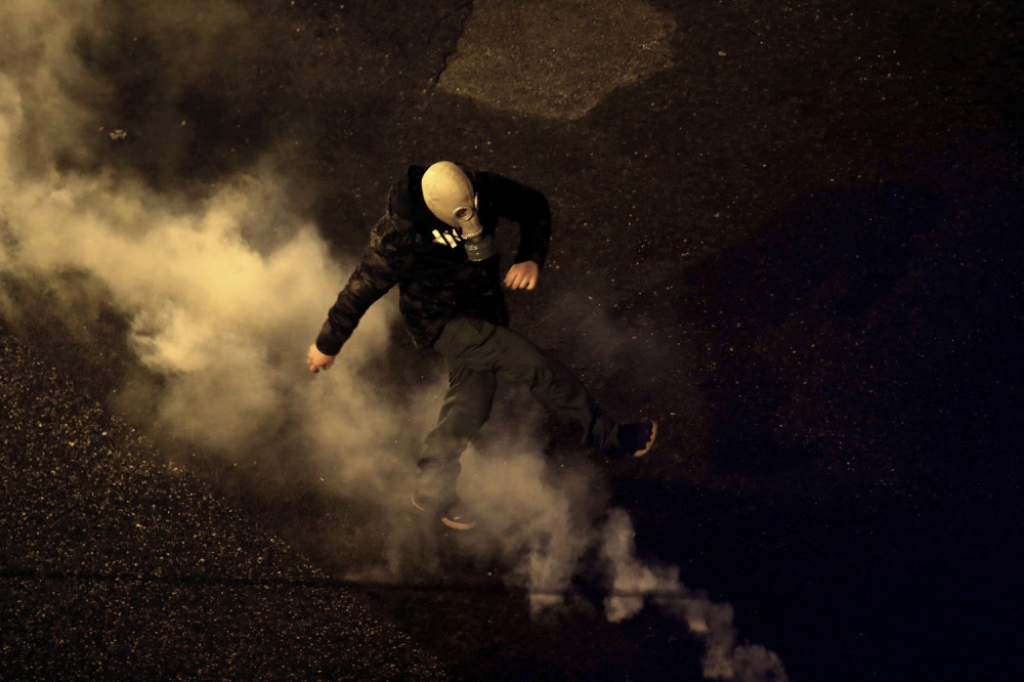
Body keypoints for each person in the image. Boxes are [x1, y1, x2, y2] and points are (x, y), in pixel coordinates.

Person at [307, 161, 656, 530]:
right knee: (536, 366)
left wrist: (530, 256)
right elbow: (356, 294)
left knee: (472, 400)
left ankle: (432, 490)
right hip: (444, 322)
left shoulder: (482, 188)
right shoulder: (398, 239)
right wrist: (327, 345)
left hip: (484, 307)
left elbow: (533, 205)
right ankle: (610, 438)